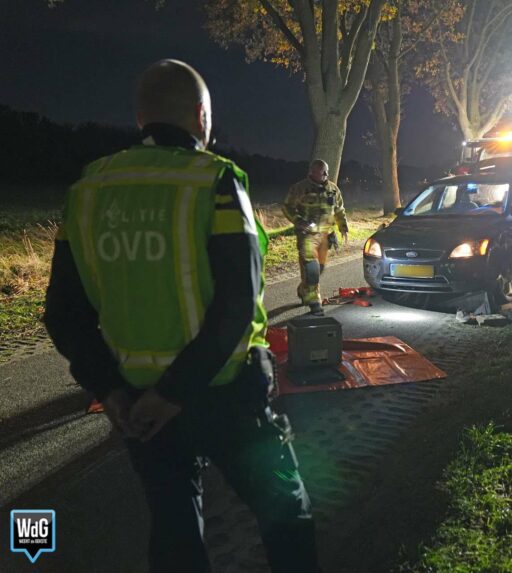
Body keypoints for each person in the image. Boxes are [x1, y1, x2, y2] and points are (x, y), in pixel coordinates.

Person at [44, 59, 318, 573]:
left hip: (137, 402)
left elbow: (62, 313)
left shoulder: (87, 191)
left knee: (173, 529)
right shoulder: (215, 180)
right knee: (285, 512)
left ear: (141, 117)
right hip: (228, 392)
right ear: (201, 115)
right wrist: (177, 392)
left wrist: (114, 391)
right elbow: (240, 300)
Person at [283, 159, 349, 316]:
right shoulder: (300, 188)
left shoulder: (333, 189)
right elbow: (287, 206)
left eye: (326, 171)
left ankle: (303, 289)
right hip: (307, 236)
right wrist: (298, 220)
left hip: (326, 235)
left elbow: (339, 209)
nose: (325, 174)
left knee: (319, 269)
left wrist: (343, 227)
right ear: (312, 172)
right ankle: (314, 302)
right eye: (321, 172)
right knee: (311, 269)